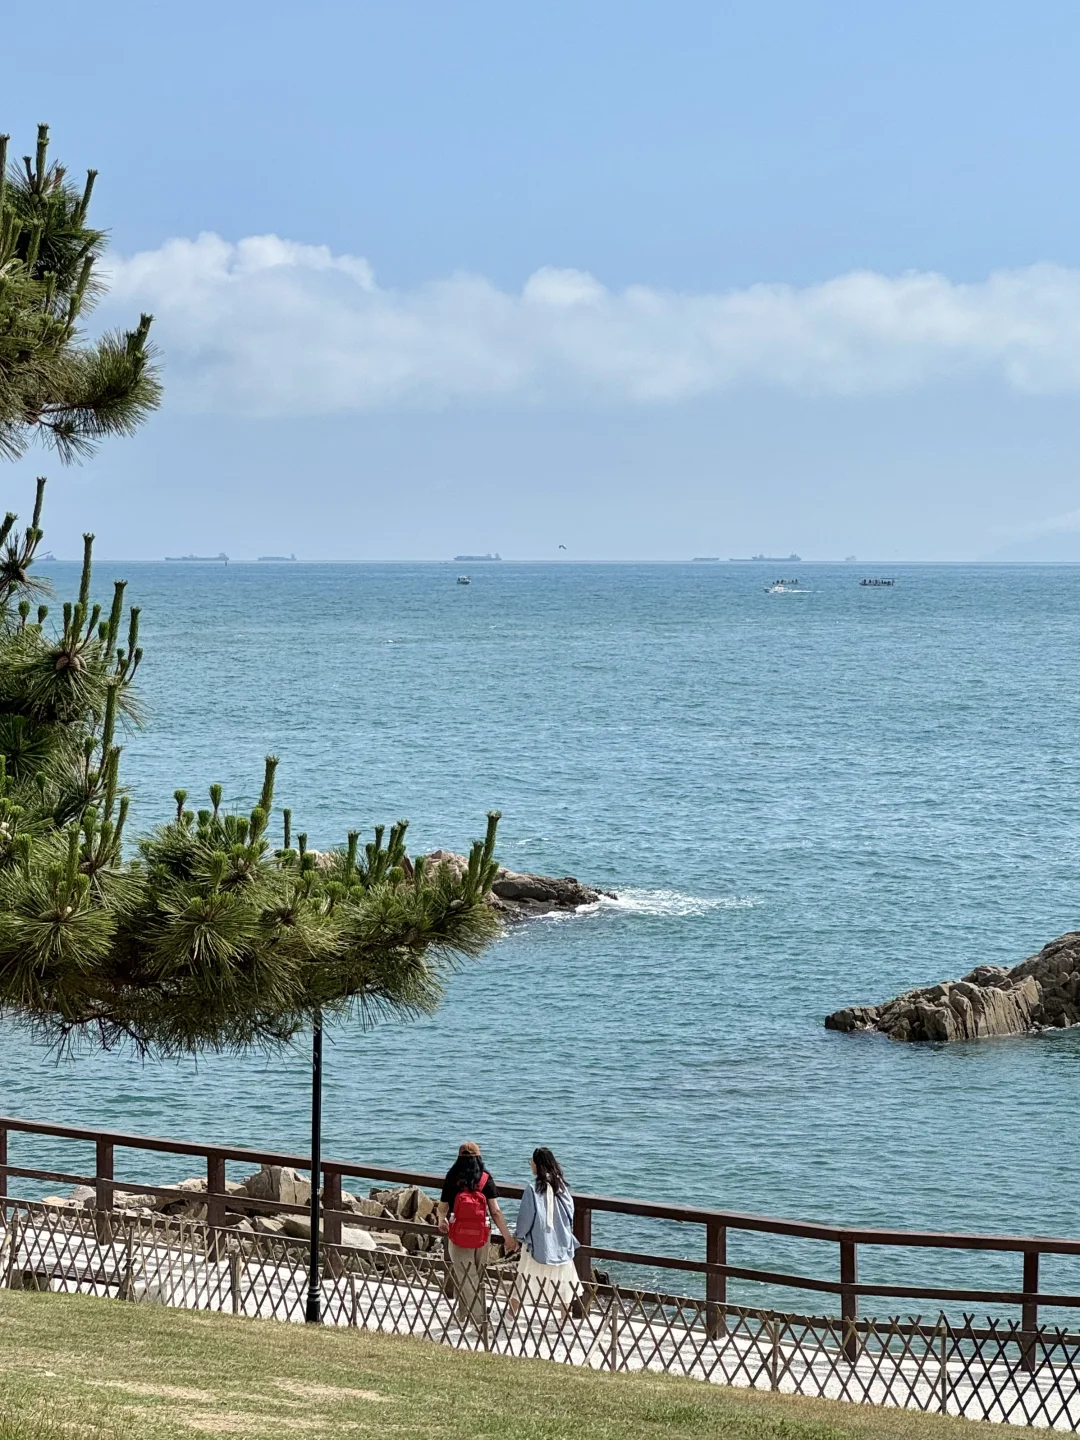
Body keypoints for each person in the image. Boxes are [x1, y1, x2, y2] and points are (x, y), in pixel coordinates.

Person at [436, 1141, 517, 1329]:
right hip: (481, 1236)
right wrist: (508, 1238)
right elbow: (495, 1211)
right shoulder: (485, 1179)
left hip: (458, 1235)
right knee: (475, 1277)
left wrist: (441, 1220)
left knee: (466, 1276)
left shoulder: (452, 1177)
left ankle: (479, 1322)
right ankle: (465, 1316)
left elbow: (442, 1207)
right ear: (479, 1158)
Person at [512, 1146, 581, 1318]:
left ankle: (510, 1317)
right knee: (563, 1283)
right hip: (562, 1242)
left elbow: (525, 1219)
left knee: (524, 1281)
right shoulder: (562, 1187)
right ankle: (565, 1320)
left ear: (537, 1165)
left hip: (538, 1244)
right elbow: (570, 1213)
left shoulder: (532, 1189)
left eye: (531, 1162)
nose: (530, 1165)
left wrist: (518, 1237)